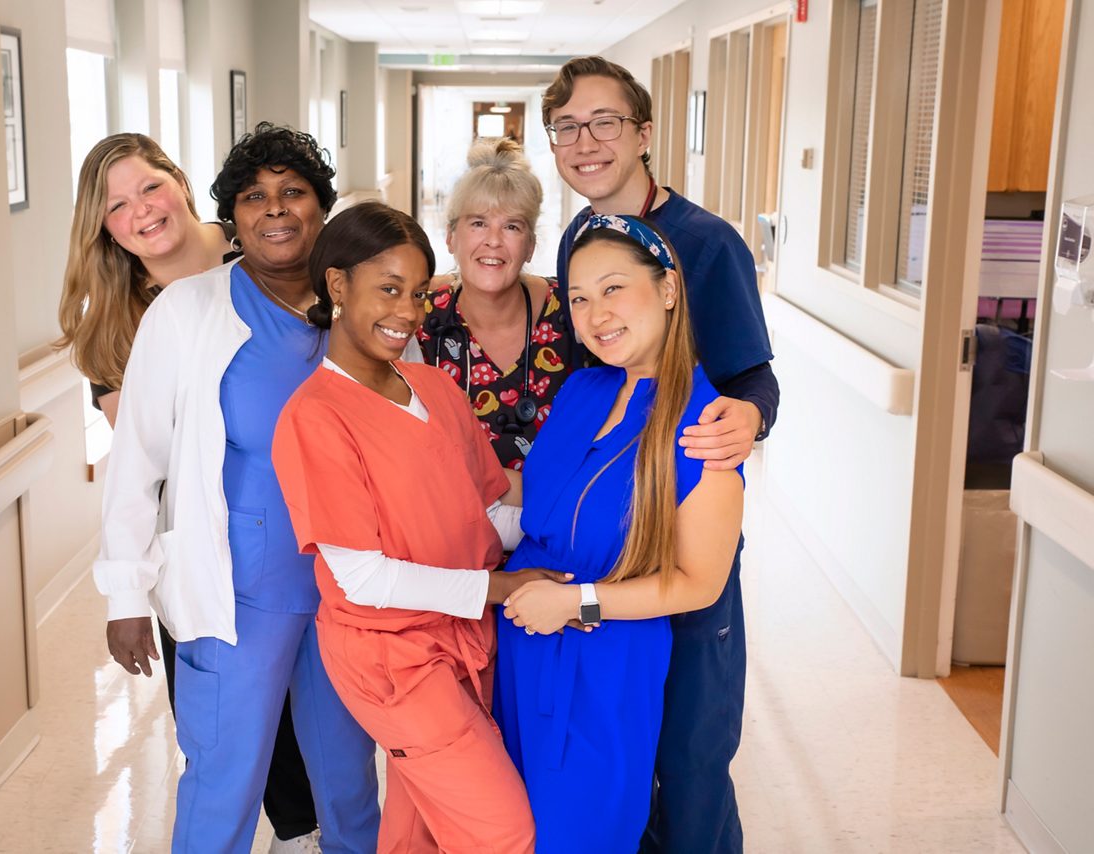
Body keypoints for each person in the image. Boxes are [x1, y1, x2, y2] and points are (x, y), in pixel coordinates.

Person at [92, 124, 379, 853]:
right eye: (254, 197)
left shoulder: (362, 306)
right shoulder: (187, 310)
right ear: (232, 214)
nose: (274, 210)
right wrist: (126, 595)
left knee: (349, 783)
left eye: (293, 192)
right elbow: (137, 464)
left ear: (322, 207)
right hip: (239, 590)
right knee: (224, 784)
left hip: (352, 590)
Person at [273, 202, 566, 854]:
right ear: (338, 286)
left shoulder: (436, 388)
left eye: (416, 293)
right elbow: (363, 577)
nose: (406, 312)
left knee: (419, 830)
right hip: (392, 658)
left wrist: (575, 533)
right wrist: (501, 588)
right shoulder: (315, 417)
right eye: (386, 289)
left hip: (464, 637)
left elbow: (487, 514)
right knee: (503, 830)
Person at [543, 56, 778, 853]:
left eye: (605, 121)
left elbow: (753, 378)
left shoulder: (706, 245)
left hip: (679, 510)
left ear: (644, 133)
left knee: (687, 757)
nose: (586, 141)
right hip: (606, 535)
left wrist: (742, 417)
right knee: (617, 759)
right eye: (567, 127)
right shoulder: (581, 233)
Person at [494, 215, 744, 853]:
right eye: (578, 297)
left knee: (578, 836)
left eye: (613, 289)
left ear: (667, 289)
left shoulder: (703, 425)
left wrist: (575, 601)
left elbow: (698, 582)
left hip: (602, 662)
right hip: (519, 649)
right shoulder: (583, 388)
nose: (595, 313)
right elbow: (551, 498)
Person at [415, 137, 584, 468]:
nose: (493, 240)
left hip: (556, 515)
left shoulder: (571, 311)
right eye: (478, 223)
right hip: (451, 514)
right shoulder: (421, 321)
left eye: (511, 226)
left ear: (531, 246)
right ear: (450, 237)